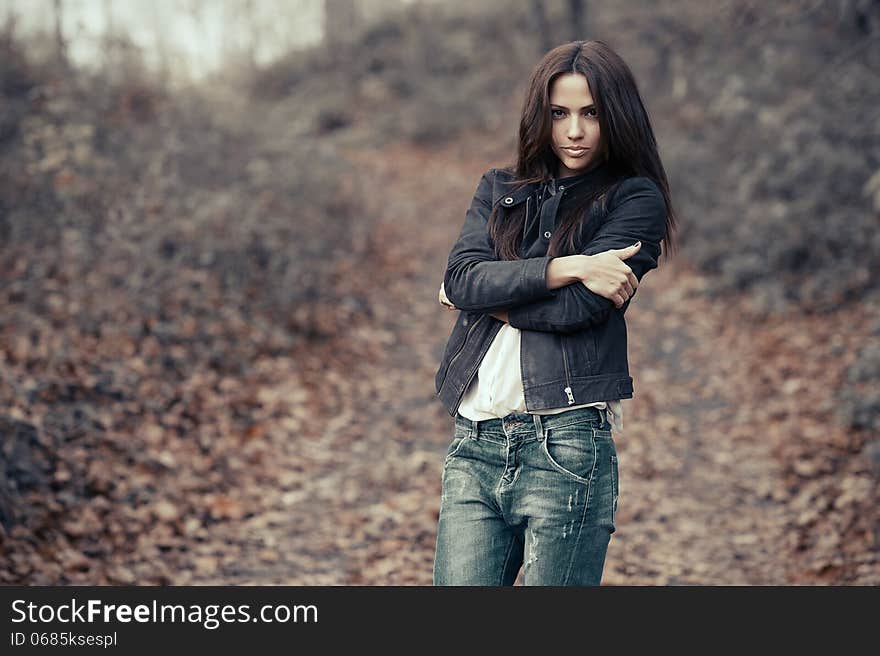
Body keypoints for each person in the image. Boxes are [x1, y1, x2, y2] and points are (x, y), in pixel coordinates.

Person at [432, 39, 678, 586]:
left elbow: (575, 310)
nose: (574, 131)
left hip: (566, 445)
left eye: (591, 113)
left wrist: (479, 300)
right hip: (475, 442)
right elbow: (462, 275)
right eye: (559, 113)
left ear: (616, 115)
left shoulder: (634, 201)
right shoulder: (500, 189)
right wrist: (568, 265)